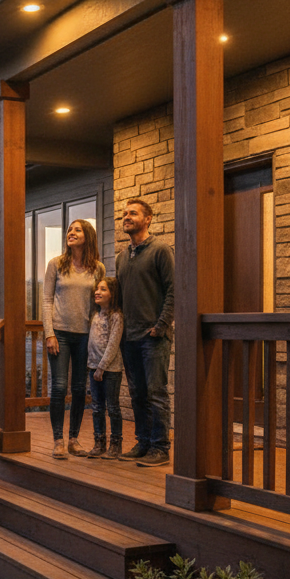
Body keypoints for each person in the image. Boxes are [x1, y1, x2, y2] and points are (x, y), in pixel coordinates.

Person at [115, 198, 175, 468]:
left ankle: (160, 447)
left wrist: (160, 326)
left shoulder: (161, 250)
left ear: (148, 218)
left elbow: (174, 290)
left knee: (156, 393)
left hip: (153, 338)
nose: (127, 217)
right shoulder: (121, 257)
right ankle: (143, 442)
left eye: (133, 213)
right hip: (129, 338)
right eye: (125, 214)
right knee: (137, 394)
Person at [42, 218, 105, 460]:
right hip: (59, 334)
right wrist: (49, 333)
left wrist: (97, 334)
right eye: (69, 229)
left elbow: (98, 305)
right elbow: (47, 300)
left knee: (80, 388)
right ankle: (58, 440)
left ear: (87, 236)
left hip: (85, 335)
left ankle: (73, 439)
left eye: (77, 230)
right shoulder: (56, 264)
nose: (71, 233)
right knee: (59, 387)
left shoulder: (97, 268)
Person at [87, 276, 124, 460]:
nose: (98, 292)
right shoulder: (94, 315)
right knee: (97, 408)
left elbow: (113, 344)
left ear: (112, 294)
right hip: (93, 367)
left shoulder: (116, 317)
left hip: (110, 370)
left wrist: (102, 367)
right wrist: (93, 366)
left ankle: (116, 444)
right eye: (97, 289)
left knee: (113, 407)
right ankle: (99, 441)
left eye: (103, 289)